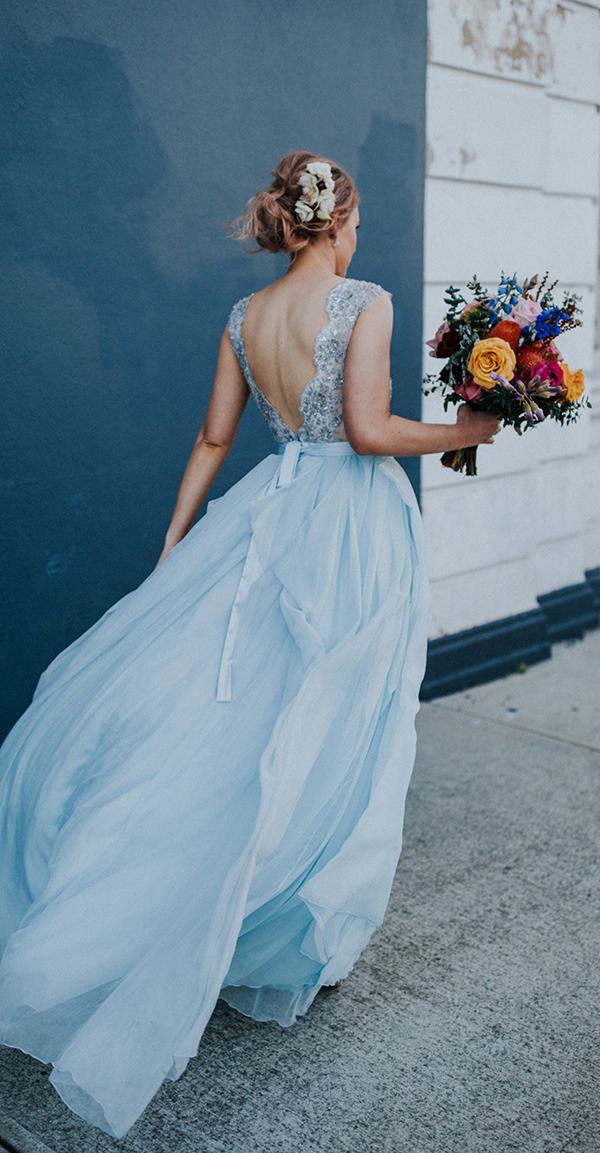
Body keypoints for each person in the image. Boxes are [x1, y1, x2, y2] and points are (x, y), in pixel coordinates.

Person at [0, 151, 499, 1139]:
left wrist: (176, 547)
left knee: (242, 718)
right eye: (357, 218)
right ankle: (281, 923)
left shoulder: (243, 317)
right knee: (331, 718)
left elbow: (213, 440)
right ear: (340, 221)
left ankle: (192, 894)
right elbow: (365, 431)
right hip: (346, 526)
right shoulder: (367, 300)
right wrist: (465, 429)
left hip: (262, 514)